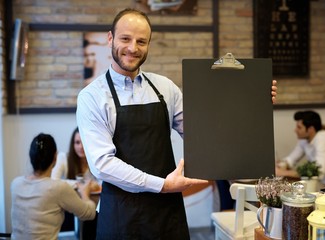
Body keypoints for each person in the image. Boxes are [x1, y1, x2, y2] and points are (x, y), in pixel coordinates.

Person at [76, 8, 277, 239]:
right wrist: (162, 185)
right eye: (125, 38)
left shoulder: (165, 88)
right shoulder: (92, 97)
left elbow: (204, 133)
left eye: (141, 41)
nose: (133, 48)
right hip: (122, 215)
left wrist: (254, 103)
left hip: (167, 213)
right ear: (110, 38)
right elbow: (102, 164)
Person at [11, 133, 96, 240]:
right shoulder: (58, 188)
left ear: (31, 156)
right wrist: (85, 194)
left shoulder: (15, 184)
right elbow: (89, 214)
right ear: (55, 158)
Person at [276, 110, 325, 188]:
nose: (295, 130)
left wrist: (283, 172)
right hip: (319, 185)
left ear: (310, 129)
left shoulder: (324, 140)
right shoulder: (304, 139)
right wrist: (281, 165)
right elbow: (290, 159)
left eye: (299, 127)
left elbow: (317, 172)